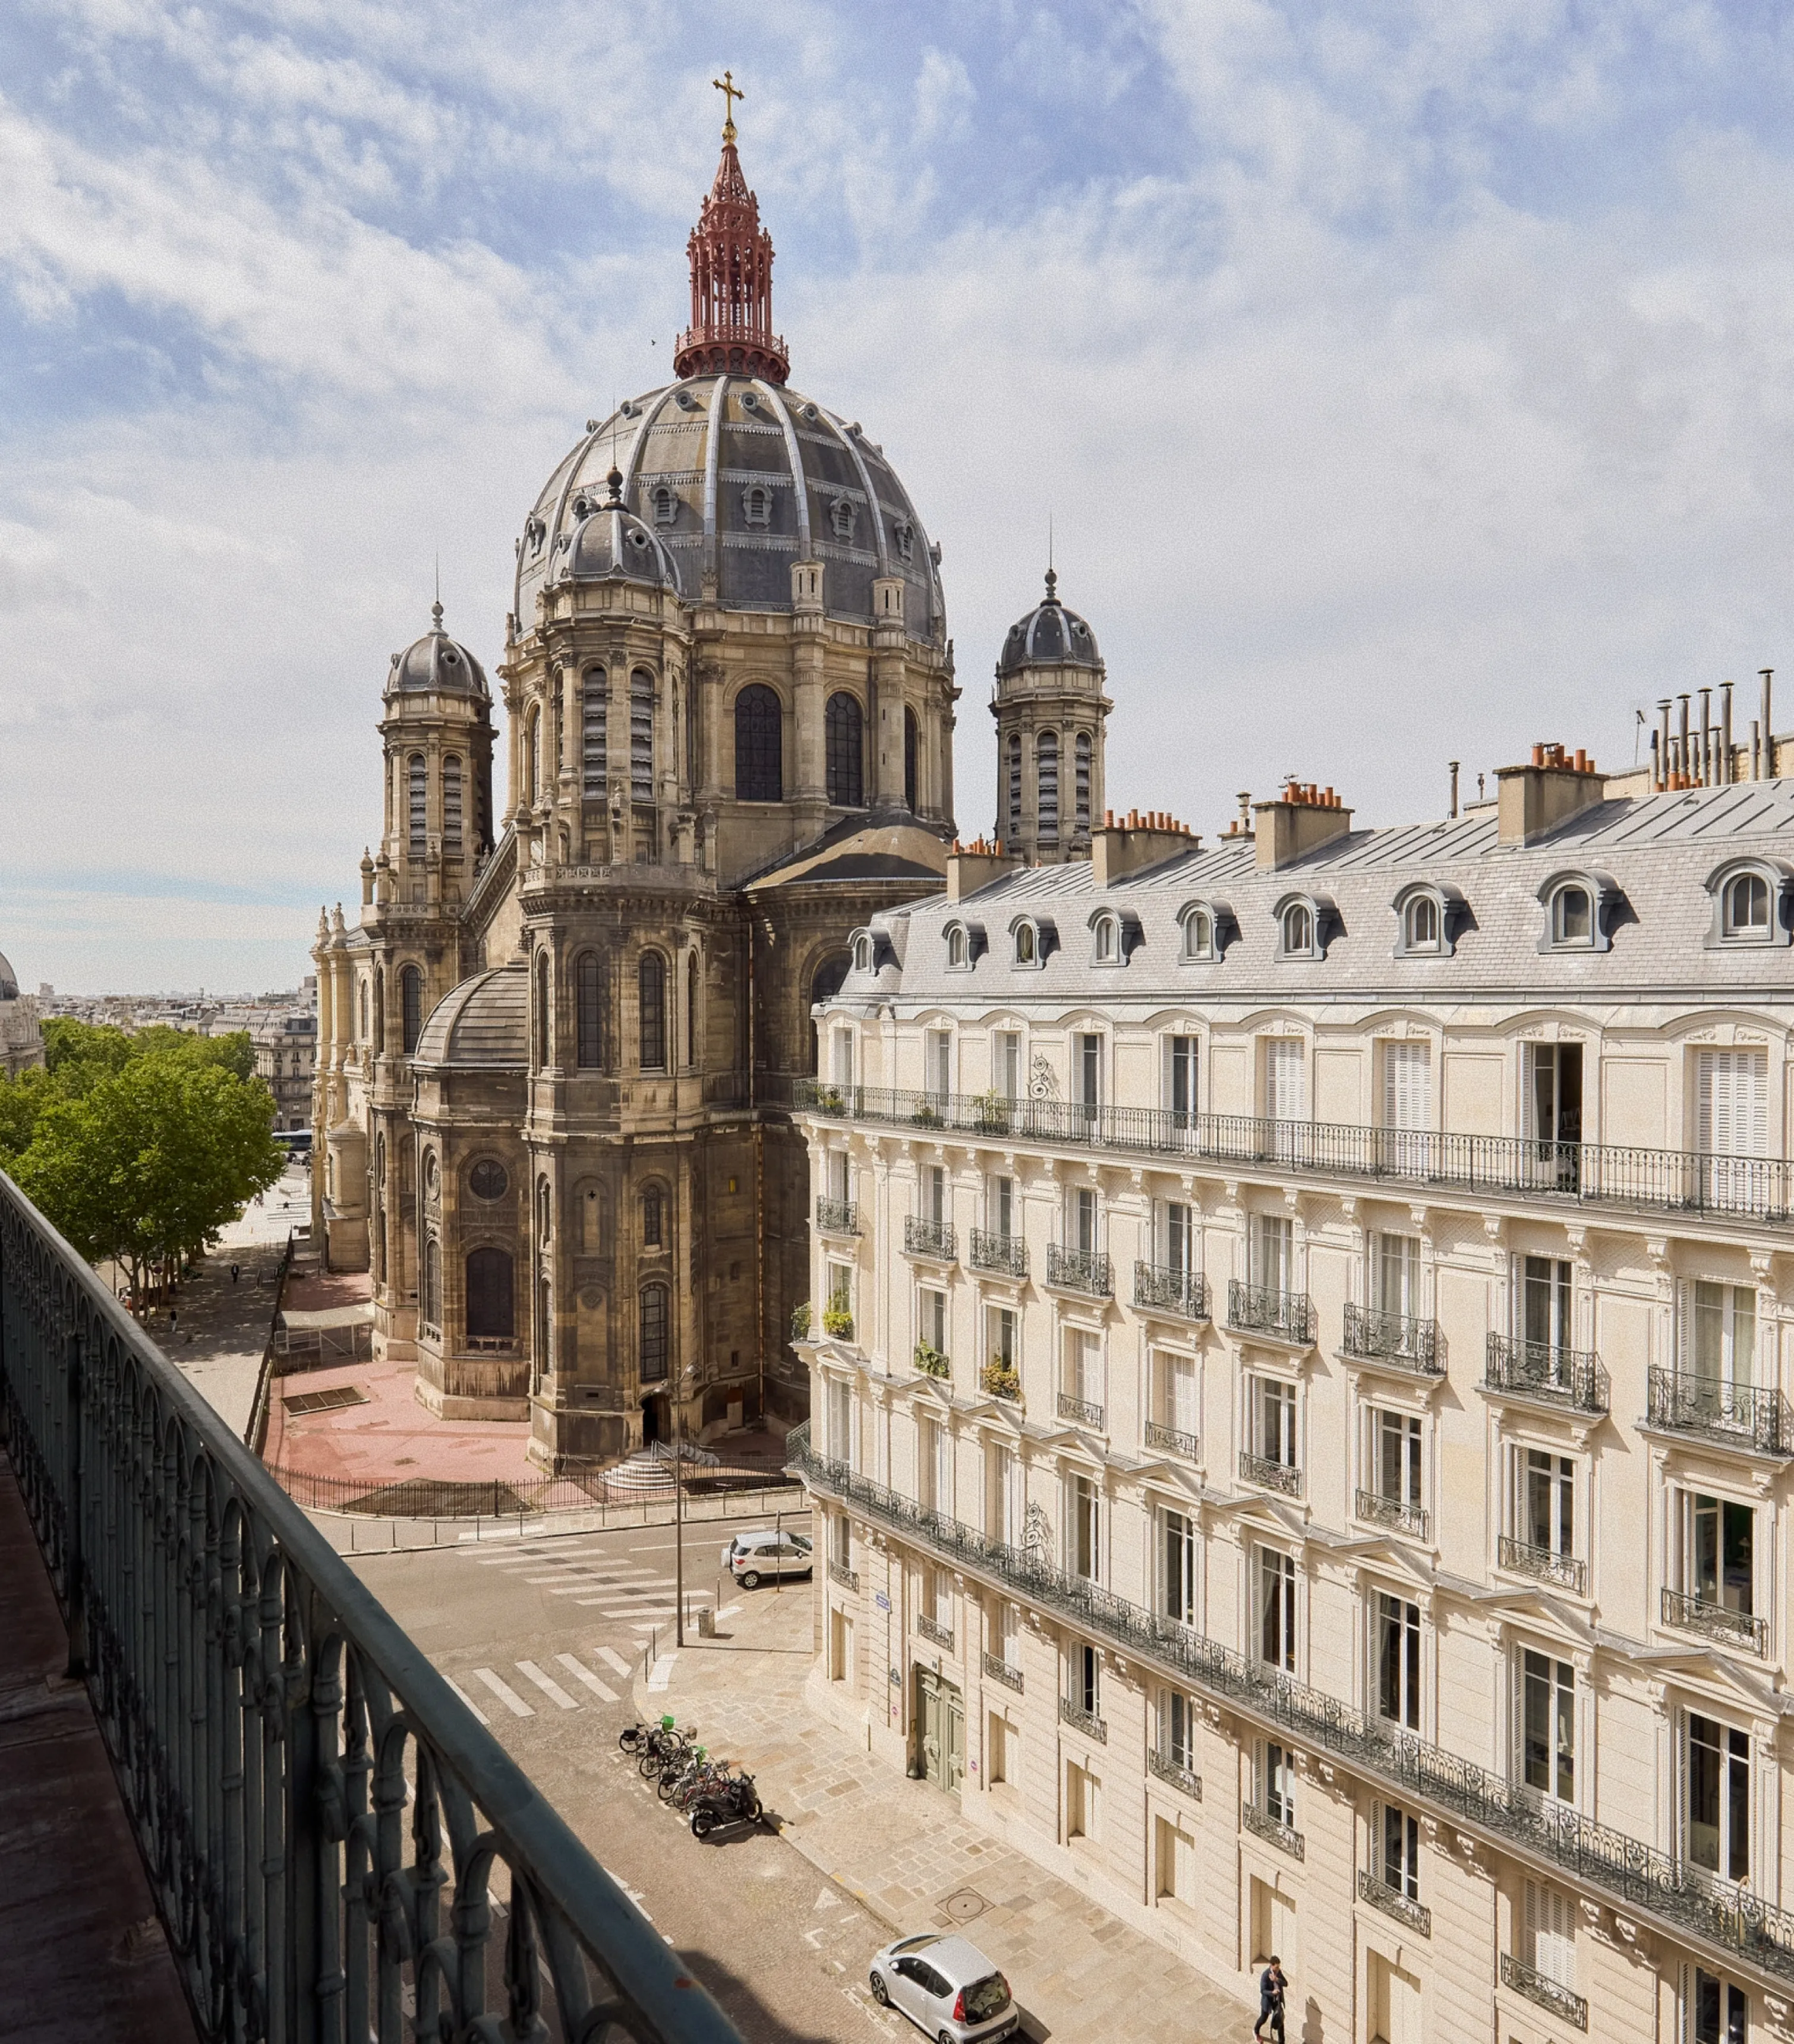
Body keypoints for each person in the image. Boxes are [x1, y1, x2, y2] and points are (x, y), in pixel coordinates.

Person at [1253, 1955, 1287, 2042]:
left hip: (1277, 2001)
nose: (1278, 1969)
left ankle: (1282, 2042)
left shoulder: (1278, 1973)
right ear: (1272, 1965)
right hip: (1268, 2001)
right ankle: (1256, 2031)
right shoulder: (1265, 1975)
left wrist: (1277, 1979)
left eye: (1279, 1967)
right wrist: (1272, 1993)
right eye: (1276, 1967)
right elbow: (1263, 1991)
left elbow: (1286, 1983)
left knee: (1280, 2021)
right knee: (1264, 2018)